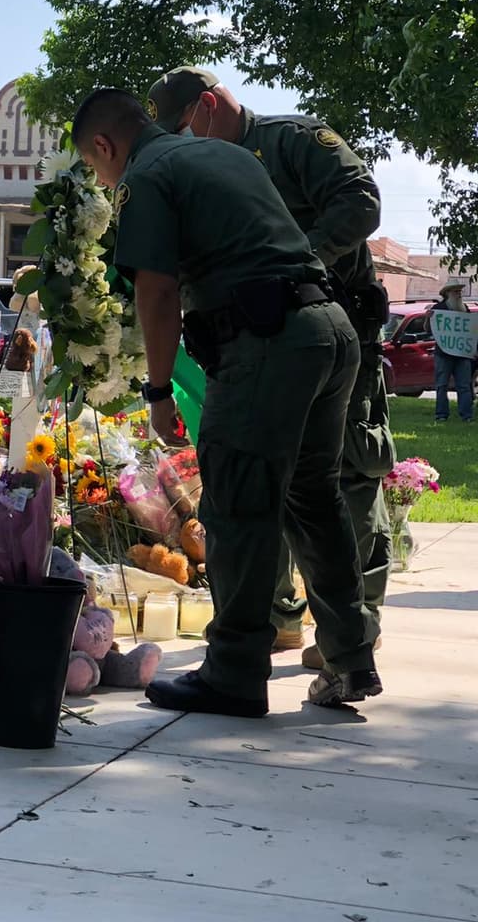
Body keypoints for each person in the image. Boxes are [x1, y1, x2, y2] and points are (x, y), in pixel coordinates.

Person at [70, 88, 380, 716]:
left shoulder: (147, 175)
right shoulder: (227, 155)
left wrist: (159, 394)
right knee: (314, 501)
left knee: (239, 502)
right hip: (329, 330)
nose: (102, 178)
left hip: (265, 343)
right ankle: (350, 661)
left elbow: (155, 294)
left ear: (105, 146)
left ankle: (234, 673)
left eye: (95, 165)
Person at [148, 67, 395, 669]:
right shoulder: (208, 173)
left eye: (183, 128)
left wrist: (299, 263)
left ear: (207, 106)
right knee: (270, 478)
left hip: (335, 327)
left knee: (343, 476)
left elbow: (361, 201)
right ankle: (282, 614)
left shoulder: (291, 141)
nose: (183, 143)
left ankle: (355, 622)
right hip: (264, 345)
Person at [427, 281, 474, 422]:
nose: (459, 294)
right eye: (456, 291)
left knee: (464, 386)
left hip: (462, 355)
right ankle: (441, 415)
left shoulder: (464, 308)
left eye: (460, 292)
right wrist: (427, 318)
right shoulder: (438, 308)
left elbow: (470, 332)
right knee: (441, 385)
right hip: (443, 354)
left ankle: (467, 416)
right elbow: (429, 330)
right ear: (447, 293)